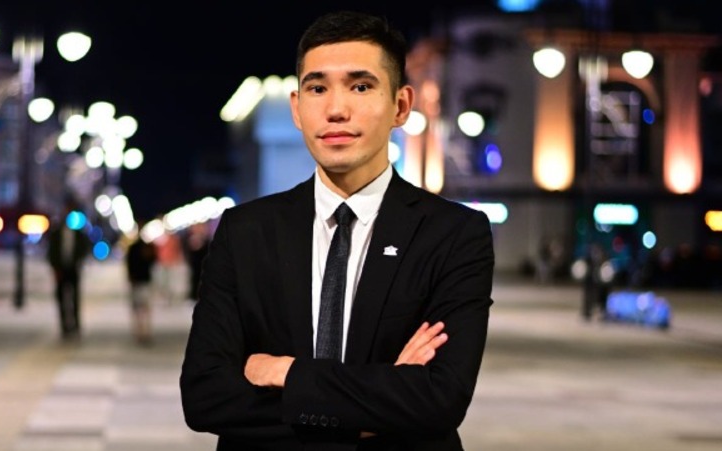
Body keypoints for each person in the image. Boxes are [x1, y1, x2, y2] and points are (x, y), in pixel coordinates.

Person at [180, 10, 494, 451]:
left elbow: (439, 400)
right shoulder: (245, 232)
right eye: (317, 88)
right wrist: (378, 405)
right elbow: (205, 397)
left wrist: (284, 373)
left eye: (361, 86)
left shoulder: (453, 234)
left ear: (401, 105)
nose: (336, 109)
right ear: (296, 107)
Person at [46, 197, 92, 340]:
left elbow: (84, 249)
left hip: (73, 269)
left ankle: (76, 326)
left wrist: (78, 262)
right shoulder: (56, 232)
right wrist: (55, 267)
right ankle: (64, 327)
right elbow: (51, 252)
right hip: (60, 270)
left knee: (75, 299)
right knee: (61, 299)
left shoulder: (79, 233)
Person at [125, 223, 158, 344]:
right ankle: (141, 331)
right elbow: (129, 264)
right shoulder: (134, 248)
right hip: (139, 280)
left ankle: (144, 331)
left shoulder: (147, 247)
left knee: (143, 307)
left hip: (143, 280)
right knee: (140, 308)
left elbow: (153, 260)